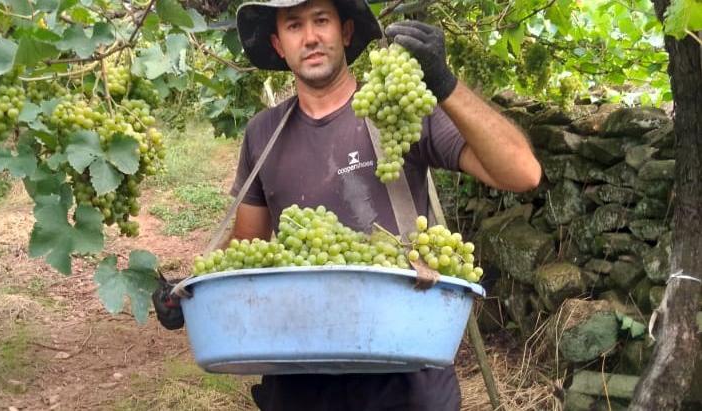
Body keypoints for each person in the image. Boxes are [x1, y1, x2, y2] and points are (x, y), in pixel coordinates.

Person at [153, 0, 542, 410]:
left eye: (322, 20)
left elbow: (522, 173)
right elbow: (245, 252)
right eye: (294, 25)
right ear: (278, 43)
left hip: (405, 370)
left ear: (346, 33)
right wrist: (192, 296)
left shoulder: (397, 110)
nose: (311, 37)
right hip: (298, 370)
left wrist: (445, 83)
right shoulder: (262, 133)